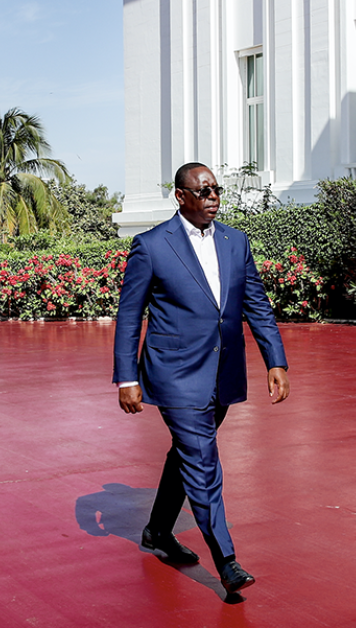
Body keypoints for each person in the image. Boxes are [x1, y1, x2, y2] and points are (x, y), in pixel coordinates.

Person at [113, 162, 290, 596]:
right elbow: (130, 316)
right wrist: (125, 377)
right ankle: (226, 562)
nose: (212, 197)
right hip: (174, 374)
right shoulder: (151, 246)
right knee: (203, 463)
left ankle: (157, 531)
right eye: (203, 190)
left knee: (188, 454)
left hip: (222, 371)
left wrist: (275, 360)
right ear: (181, 196)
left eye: (216, 190)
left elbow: (257, 305)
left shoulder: (235, 241)